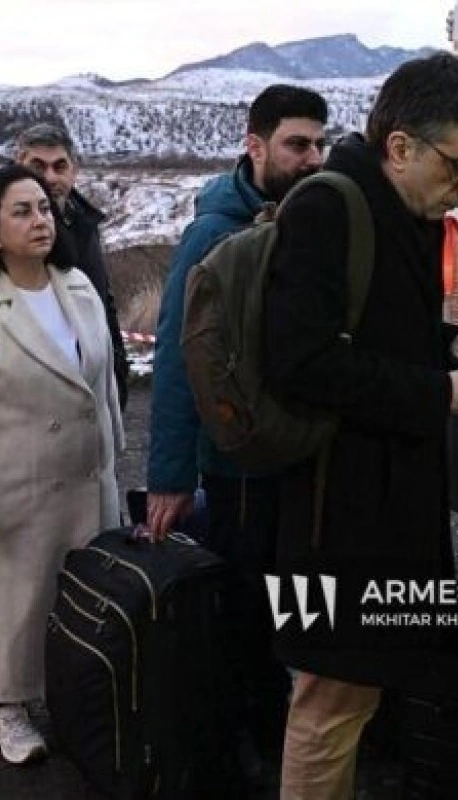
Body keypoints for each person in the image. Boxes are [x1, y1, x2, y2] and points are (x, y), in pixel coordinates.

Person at [262, 54, 458, 797]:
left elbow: (380, 332)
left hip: (389, 501)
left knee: (359, 695)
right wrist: (439, 393)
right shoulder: (326, 209)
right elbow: (301, 362)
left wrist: (450, 345)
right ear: (400, 146)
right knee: (331, 701)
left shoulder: (407, 211)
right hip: (336, 512)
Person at [146, 83, 329, 787]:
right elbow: (176, 354)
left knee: (294, 596)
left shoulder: (303, 219)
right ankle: (250, 746)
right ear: (255, 146)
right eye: (296, 144)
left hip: (294, 451)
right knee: (247, 607)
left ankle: (291, 728)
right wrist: (169, 476)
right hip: (238, 462)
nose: (312, 158)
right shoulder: (215, 234)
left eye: (320, 144)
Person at [0, 164, 123, 765]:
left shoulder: (75, 285)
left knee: (83, 602)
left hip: (85, 481)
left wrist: (115, 458)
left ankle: (78, 702)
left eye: (44, 209)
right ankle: (7, 707)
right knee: (14, 606)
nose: (41, 221)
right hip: (13, 490)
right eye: (22, 211)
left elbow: (103, 385)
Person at [14, 124, 130, 409]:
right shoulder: (1, 231)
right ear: (19, 166)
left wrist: (117, 368)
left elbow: (102, 300)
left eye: (59, 166)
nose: (50, 177)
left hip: (92, 385)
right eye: (38, 167)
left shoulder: (84, 224)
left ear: (73, 170)